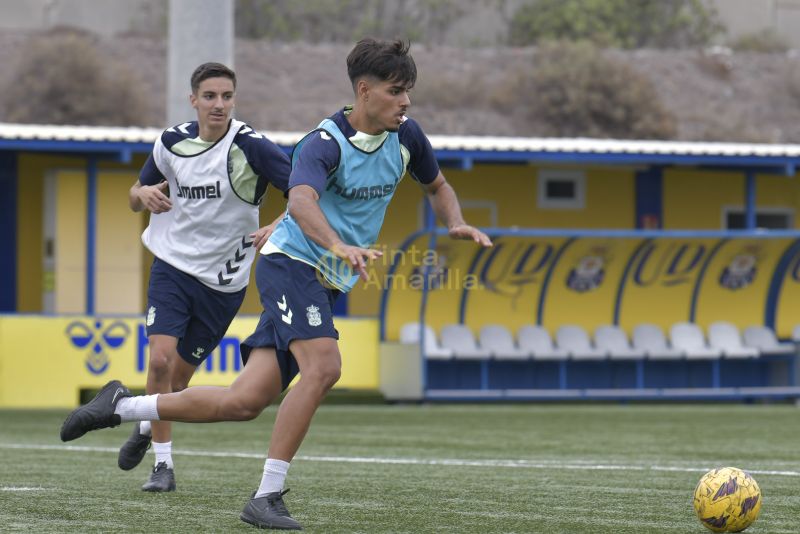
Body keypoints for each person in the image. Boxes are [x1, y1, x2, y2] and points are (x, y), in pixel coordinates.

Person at [61, 39, 492, 529]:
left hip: (324, 276)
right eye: (397, 92)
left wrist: (454, 220)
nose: (406, 102)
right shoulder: (323, 143)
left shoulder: (408, 136)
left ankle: (120, 406)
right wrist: (337, 245)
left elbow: (437, 186)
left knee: (244, 402)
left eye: (408, 92)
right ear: (365, 91)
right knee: (324, 367)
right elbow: (302, 200)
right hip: (291, 264)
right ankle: (265, 497)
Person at [120, 62, 290, 492]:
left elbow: (307, 191)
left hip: (224, 284)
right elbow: (134, 196)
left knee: (177, 382)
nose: (219, 104)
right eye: (210, 96)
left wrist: (280, 223)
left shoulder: (252, 147)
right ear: (193, 99)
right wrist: (143, 193)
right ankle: (163, 466)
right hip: (172, 268)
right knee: (159, 361)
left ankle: (143, 428)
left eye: (227, 96)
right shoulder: (171, 142)